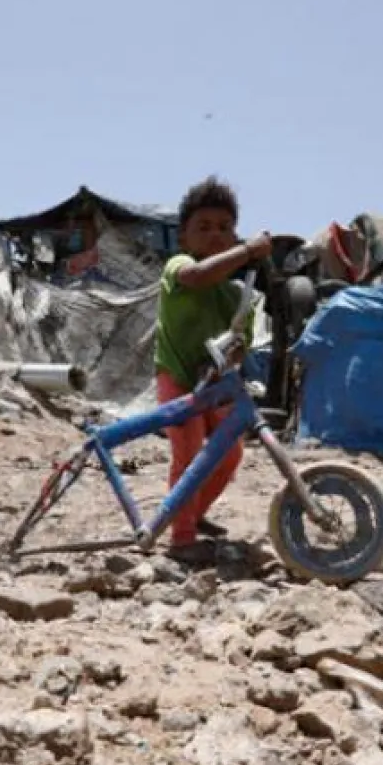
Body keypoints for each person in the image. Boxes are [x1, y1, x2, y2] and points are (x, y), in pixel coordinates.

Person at [153, 176, 271, 555]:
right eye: (203, 228)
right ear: (183, 238)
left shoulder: (237, 294)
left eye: (224, 227)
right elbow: (199, 277)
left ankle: (193, 512)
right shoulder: (179, 265)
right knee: (187, 455)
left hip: (215, 382)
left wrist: (228, 360)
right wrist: (248, 252)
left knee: (230, 452)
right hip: (177, 377)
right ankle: (181, 538)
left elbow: (241, 343)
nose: (215, 235)